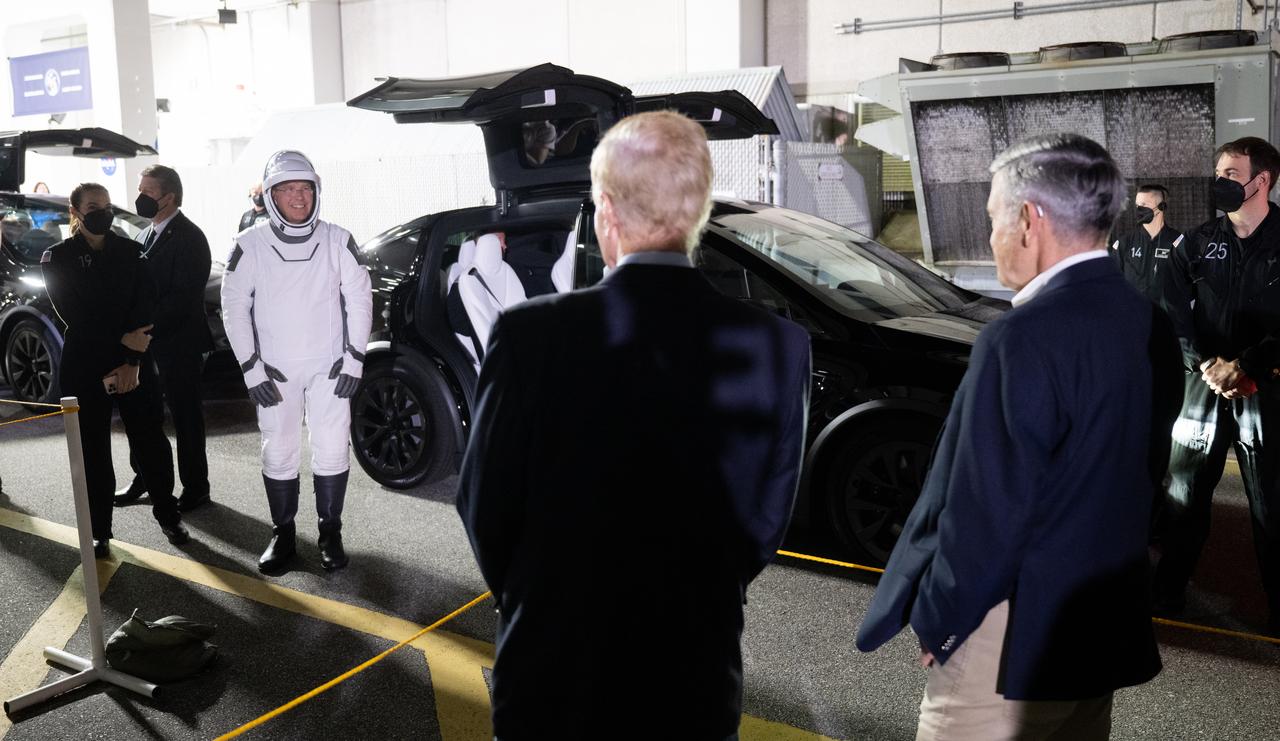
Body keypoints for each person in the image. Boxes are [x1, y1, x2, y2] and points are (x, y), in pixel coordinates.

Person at [456, 111, 811, 739]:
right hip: (694, 672)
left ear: (607, 214)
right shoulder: (779, 346)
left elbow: (485, 503)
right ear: (699, 210)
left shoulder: (528, 335)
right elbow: (763, 521)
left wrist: (537, 595)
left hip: (553, 668)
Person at [856, 133, 1184, 740]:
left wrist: (942, 622)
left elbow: (985, 513)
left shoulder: (1019, 338)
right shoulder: (1149, 325)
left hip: (1009, 643)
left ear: (1030, 220)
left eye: (992, 218)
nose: (991, 237)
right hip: (1096, 627)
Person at [220, 151, 371, 574]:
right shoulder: (249, 245)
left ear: (316, 192)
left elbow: (360, 297)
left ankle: (330, 532)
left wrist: (355, 358)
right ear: (270, 196)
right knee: (279, 451)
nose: (298, 197)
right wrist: (251, 368)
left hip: (330, 368)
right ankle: (283, 534)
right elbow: (232, 307)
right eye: (288, 189)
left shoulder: (338, 239)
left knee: (331, 448)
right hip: (274, 371)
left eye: (305, 188)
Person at [1154, 136, 1280, 634]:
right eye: (1220, 173)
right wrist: (1207, 365)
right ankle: (1167, 593)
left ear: (1261, 181)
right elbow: (1173, 312)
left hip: (1265, 389)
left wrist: (1247, 364)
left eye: (1230, 174)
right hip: (1203, 387)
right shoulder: (1198, 242)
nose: (1220, 183)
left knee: (1272, 503)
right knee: (1183, 496)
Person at [40, 183, 189, 558]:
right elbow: (74, 315)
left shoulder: (131, 251)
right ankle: (99, 531)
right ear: (75, 211)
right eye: (93, 206)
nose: (102, 212)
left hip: (134, 364)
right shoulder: (56, 258)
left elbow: (146, 304)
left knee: (151, 443)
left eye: (107, 206)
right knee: (92, 450)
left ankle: (169, 516)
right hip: (85, 364)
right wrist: (124, 342)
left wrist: (132, 362)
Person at [113, 165, 214, 512]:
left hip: (178, 343)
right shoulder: (144, 235)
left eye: (148, 191)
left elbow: (183, 297)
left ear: (169, 196)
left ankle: (196, 487)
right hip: (145, 346)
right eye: (140, 188)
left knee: (186, 418)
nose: (140, 196)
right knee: (143, 416)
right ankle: (145, 477)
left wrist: (145, 327)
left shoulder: (191, 237)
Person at [1110, 183, 1182, 304]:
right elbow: (1112, 283)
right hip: (1135, 316)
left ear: (1161, 207)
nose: (1139, 209)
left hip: (1167, 318)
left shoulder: (1178, 242)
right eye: (1137, 205)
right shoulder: (1124, 243)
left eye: (1144, 205)